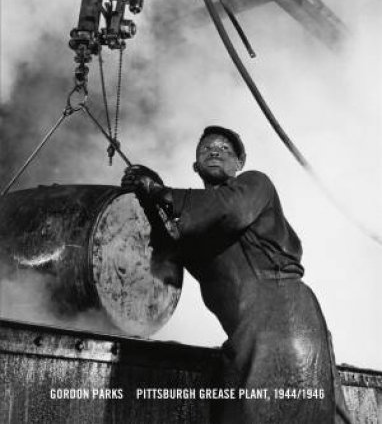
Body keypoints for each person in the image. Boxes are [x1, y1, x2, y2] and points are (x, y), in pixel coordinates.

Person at [121, 126, 352, 424]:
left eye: (226, 150)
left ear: (239, 164)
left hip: (284, 318)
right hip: (243, 332)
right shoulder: (195, 220)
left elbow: (228, 210)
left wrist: (161, 193)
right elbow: (166, 247)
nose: (215, 151)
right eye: (206, 149)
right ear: (195, 166)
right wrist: (148, 196)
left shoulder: (254, 185)